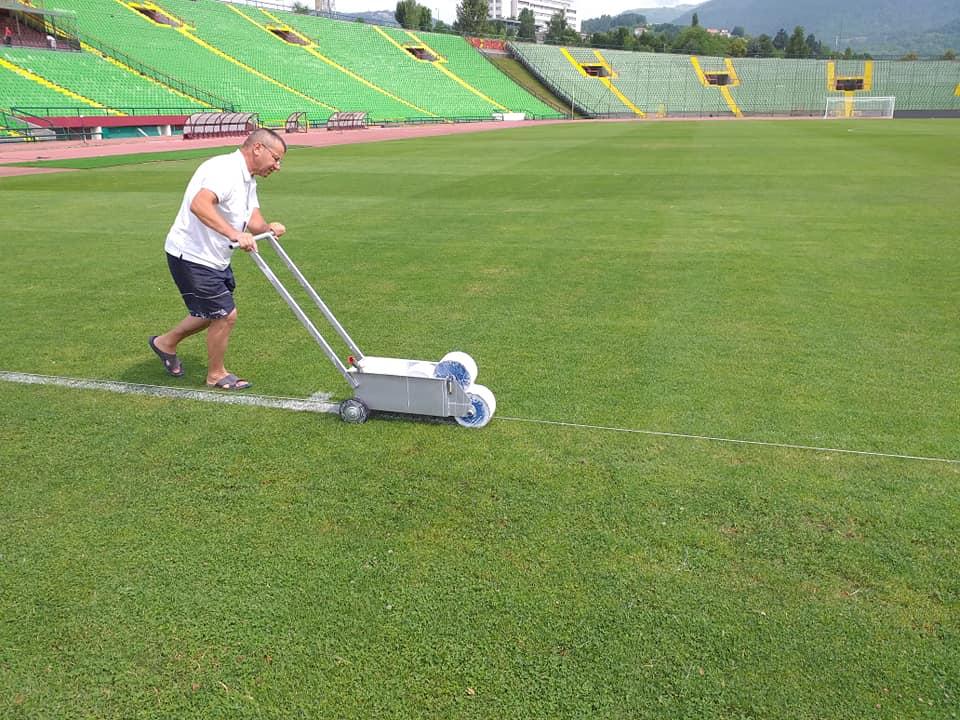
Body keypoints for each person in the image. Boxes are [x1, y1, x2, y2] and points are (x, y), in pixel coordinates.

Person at [149, 128, 287, 390]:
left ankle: (164, 343)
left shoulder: (248, 179)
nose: (277, 166)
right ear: (258, 148)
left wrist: (267, 228)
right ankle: (216, 375)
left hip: (215, 256)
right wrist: (235, 234)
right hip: (191, 254)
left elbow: (251, 219)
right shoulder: (224, 170)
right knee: (225, 315)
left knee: (213, 312)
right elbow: (200, 205)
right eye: (276, 158)